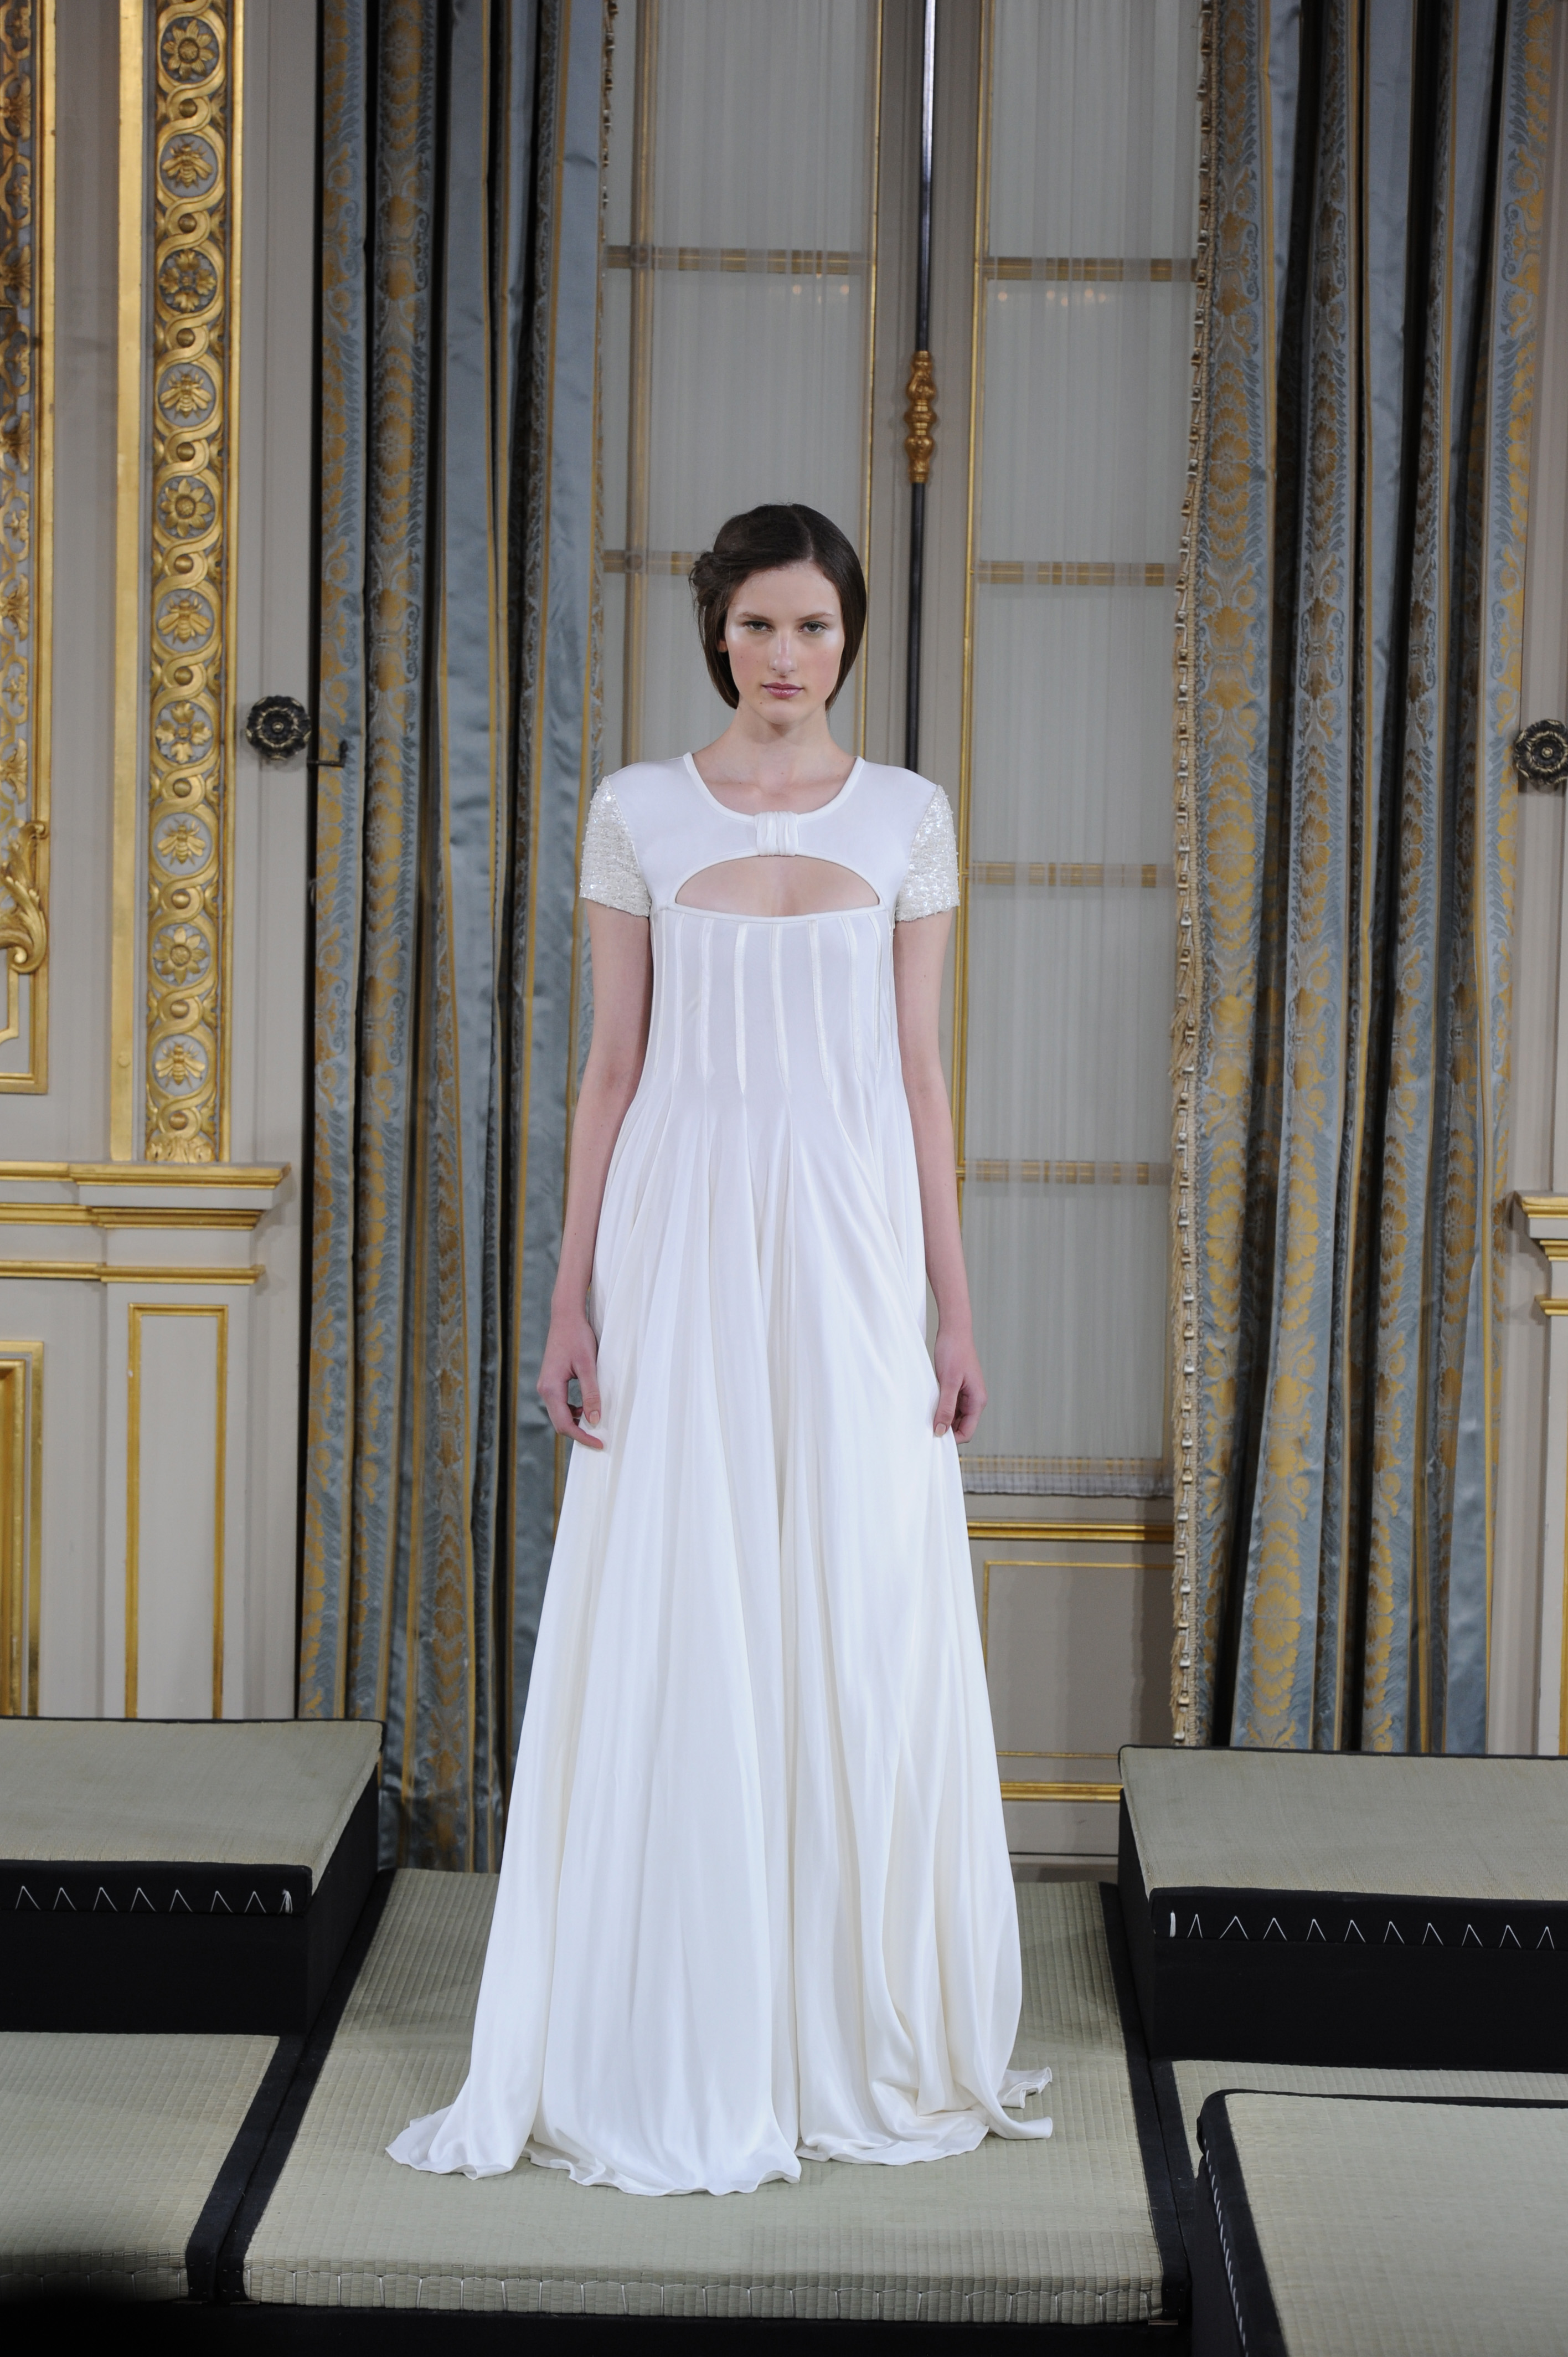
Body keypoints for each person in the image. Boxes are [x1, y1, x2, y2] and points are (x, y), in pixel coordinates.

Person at [388, 503, 1051, 2196]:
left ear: (850, 637)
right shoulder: (637, 809)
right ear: (717, 636)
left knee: (856, 1592)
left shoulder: (908, 816)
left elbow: (920, 1077)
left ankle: (842, 2020)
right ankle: (673, 2021)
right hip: (677, 1232)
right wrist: (570, 1299)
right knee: (682, 1583)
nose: (784, 655)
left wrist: (954, 1305)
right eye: (757, 625)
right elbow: (612, 1068)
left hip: (847, 1238)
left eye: (813, 626)